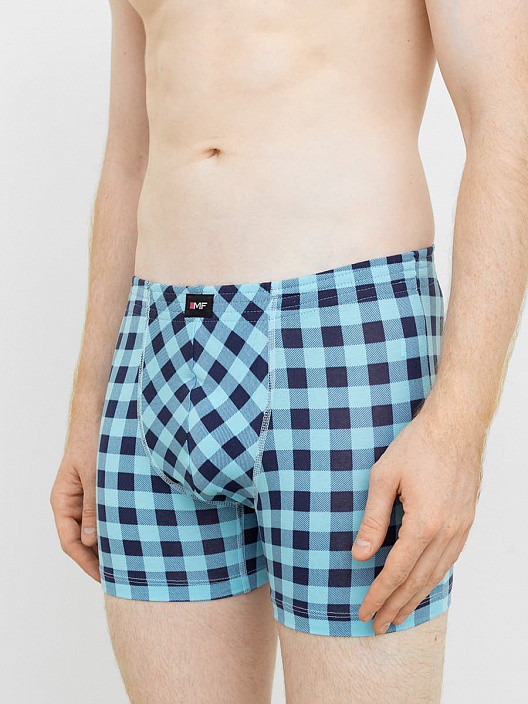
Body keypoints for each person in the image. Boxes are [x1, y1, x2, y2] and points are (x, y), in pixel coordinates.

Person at [50, 1, 528, 702]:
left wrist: (458, 427)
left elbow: (507, 121)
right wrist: (88, 407)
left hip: (344, 338)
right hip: (153, 345)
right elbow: (131, 157)